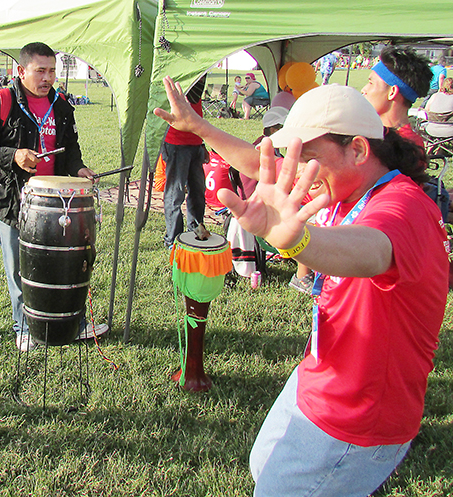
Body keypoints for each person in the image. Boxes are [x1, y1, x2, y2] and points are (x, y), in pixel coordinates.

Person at [155, 79, 448, 496]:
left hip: (356, 414)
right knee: (263, 465)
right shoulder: (348, 185)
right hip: (321, 374)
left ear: (359, 149)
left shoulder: (400, 208)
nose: (300, 174)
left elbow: (371, 251)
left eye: (308, 158)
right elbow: (263, 167)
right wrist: (198, 126)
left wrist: (297, 241)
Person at [0, 42, 107, 352]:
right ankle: (24, 326)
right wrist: (13, 155)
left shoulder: (61, 104)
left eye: (52, 71)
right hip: (13, 202)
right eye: (40, 71)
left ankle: (74, 321)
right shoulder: (1, 101)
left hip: (56, 202)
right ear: (21, 71)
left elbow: (70, 149)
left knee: (64, 266)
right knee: (20, 269)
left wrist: (79, 168)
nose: (47, 78)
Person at [162, 75, 207, 248]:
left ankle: (196, 233)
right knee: (175, 194)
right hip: (176, 142)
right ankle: (173, 241)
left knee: (197, 192)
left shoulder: (200, 68)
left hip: (195, 140)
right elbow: (194, 95)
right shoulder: (184, 71)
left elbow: (195, 103)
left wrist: (202, 142)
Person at [361, 45, 432, 154]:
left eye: (371, 83)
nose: (364, 90)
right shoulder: (375, 133)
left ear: (392, 92)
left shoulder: (404, 146)